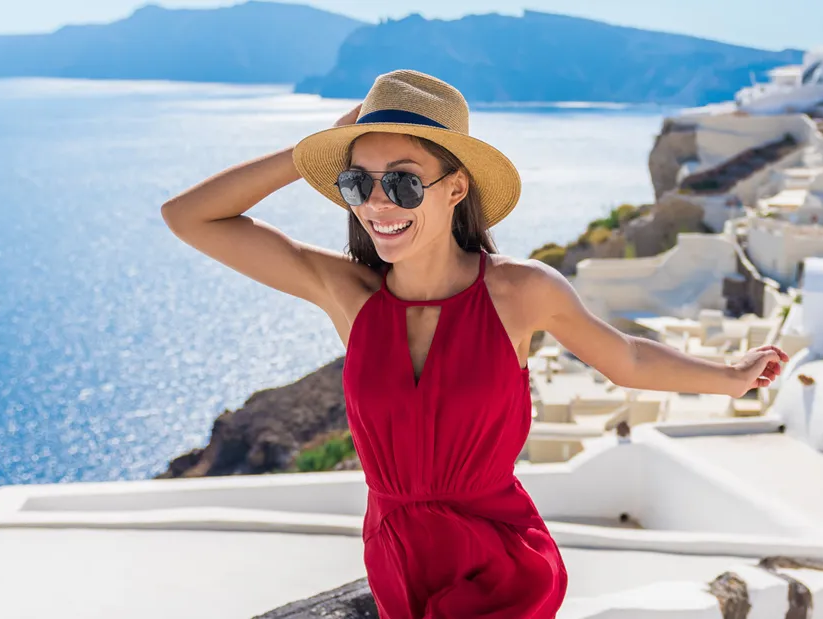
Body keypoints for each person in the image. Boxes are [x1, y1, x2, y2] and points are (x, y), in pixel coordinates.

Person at [161, 70, 786, 619]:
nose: (378, 204)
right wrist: (308, 155)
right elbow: (189, 217)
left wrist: (728, 375)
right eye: (359, 184)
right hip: (394, 560)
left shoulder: (519, 292)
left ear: (455, 188)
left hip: (499, 565)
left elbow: (626, 357)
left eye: (403, 184)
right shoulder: (348, 294)